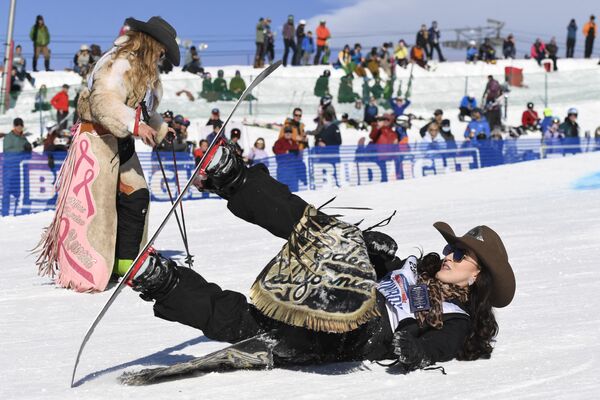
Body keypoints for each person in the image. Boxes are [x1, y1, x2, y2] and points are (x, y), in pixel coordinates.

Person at [128, 140, 516, 373]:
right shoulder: (414, 270)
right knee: (323, 230)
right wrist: (373, 248)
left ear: (477, 276)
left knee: (252, 326)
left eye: (462, 255)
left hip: (357, 331)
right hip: (335, 291)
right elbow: (373, 264)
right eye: (452, 247)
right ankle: (235, 179)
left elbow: (442, 346)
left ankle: (163, 281)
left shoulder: (457, 319)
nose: (450, 255)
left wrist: (416, 350)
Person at [36, 16, 179, 292]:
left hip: (121, 141)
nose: (162, 56)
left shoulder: (141, 70)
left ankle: (126, 261)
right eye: (161, 50)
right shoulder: (118, 63)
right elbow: (104, 101)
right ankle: (95, 266)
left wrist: (160, 130)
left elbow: (144, 111)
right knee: (98, 210)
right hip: (98, 141)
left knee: (136, 195)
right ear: (151, 44)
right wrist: (135, 124)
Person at [2, 118, 33, 217]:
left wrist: (29, 149)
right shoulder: (8, 137)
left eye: (21, 126)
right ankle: (5, 213)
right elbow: (8, 151)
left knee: (21, 191)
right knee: (7, 191)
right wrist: (22, 149)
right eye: (17, 126)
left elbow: (27, 154)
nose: (19, 128)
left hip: (21, 170)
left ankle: (21, 212)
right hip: (9, 169)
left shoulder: (23, 138)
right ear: (14, 126)